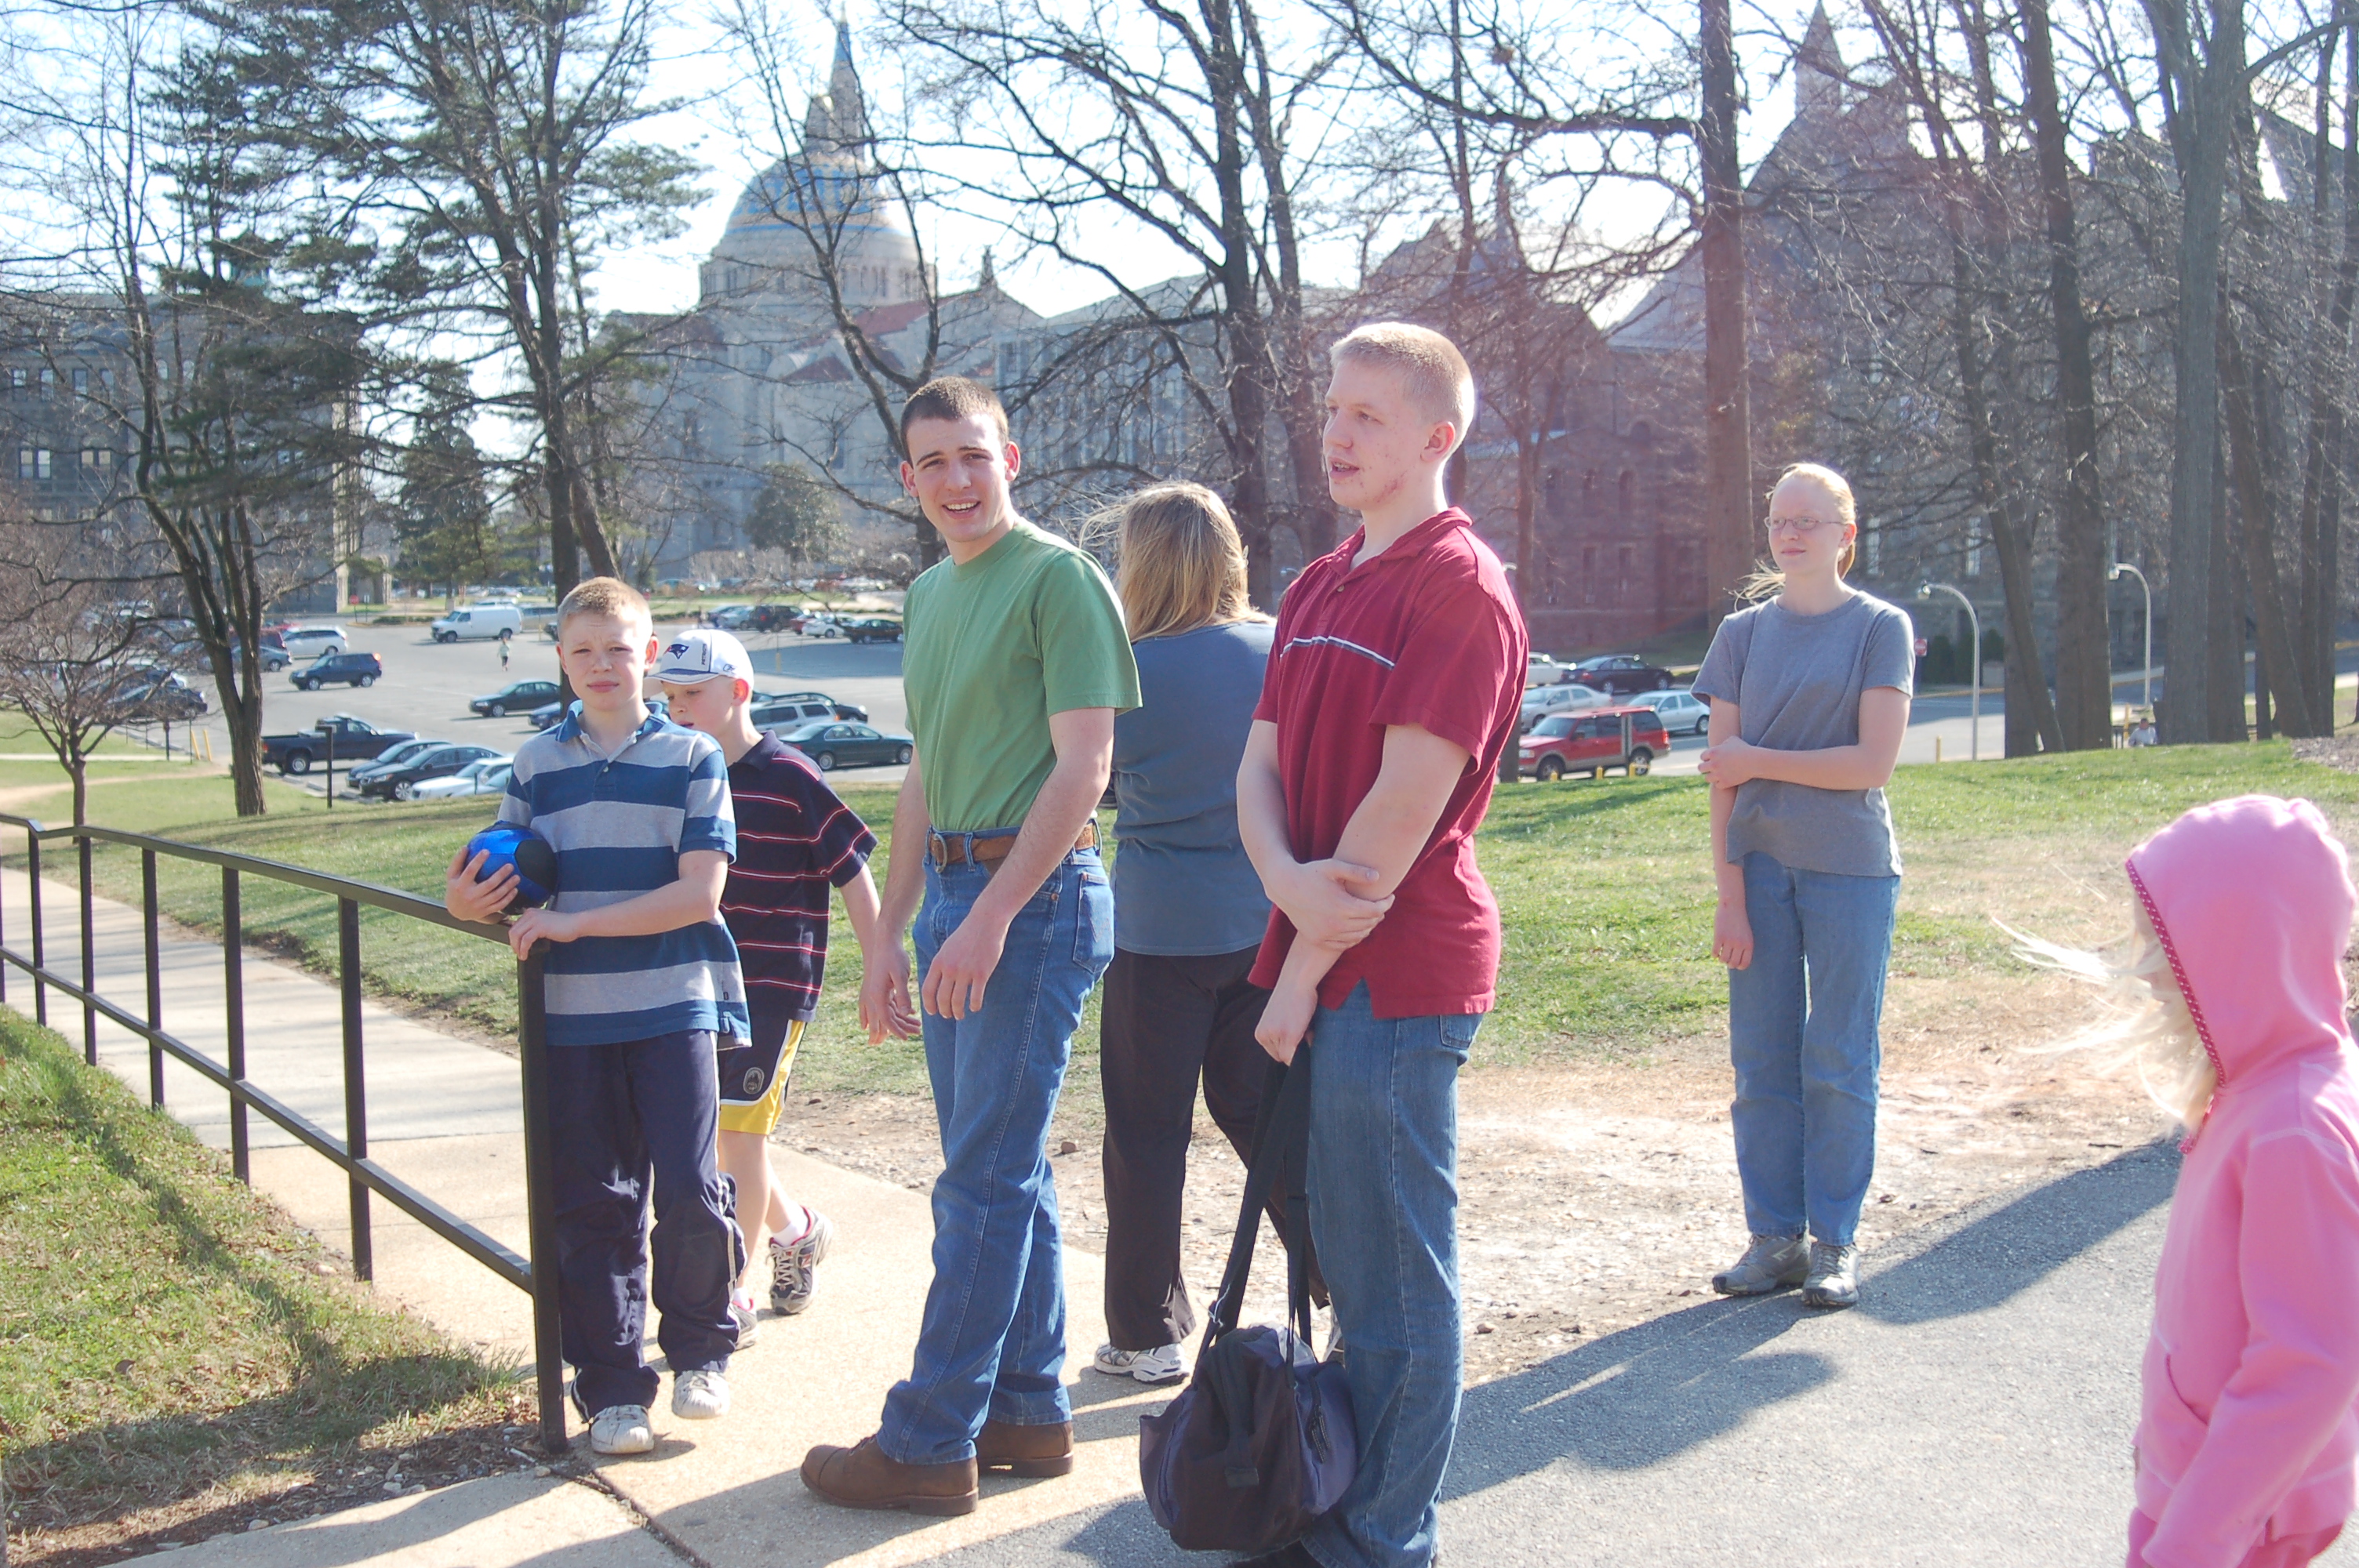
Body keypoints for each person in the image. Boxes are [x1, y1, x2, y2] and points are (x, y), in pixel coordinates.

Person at [798, 376, 1138, 1516]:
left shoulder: (1058, 578)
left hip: (1031, 905)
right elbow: (925, 773)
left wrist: (989, 918)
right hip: (951, 893)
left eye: (974, 455)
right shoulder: (931, 594)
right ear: (909, 478)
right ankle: (1027, 1410)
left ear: (1012, 458)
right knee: (1004, 1172)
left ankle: (929, 1437)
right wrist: (890, 930)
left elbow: (1086, 767)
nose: (956, 479)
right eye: (934, 462)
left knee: (981, 1182)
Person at [1236, 322, 1527, 1568]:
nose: (1337, 434)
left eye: (1368, 416)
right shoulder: (1320, 581)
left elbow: (1398, 820)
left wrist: (1300, 972)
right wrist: (1282, 885)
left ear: (1436, 438)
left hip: (1399, 977)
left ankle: (1386, 1536)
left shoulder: (1459, 588)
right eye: (1332, 410)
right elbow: (1255, 771)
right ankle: (1345, 1509)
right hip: (1321, 949)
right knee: (1353, 1269)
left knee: (1400, 1280)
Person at [2012, 796, 2359, 1568]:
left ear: (2236, 947)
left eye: (2166, 945)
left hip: (2230, 1526)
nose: (2149, 973)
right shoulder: (2260, 1088)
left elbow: (2311, 1363)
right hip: (2212, 1502)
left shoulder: (2293, 1125)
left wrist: (2193, 1542)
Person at [444, 575, 748, 1457]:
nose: (602, 664)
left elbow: (699, 894)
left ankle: (700, 1352)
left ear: (648, 654)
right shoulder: (536, 764)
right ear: (561, 661)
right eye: (582, 650)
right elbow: (495, 876)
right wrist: (465, 901)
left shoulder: (692, 756)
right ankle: (612, 1389)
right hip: (571, 1016)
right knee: (593, 1203)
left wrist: (574, 923)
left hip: (673, 1006)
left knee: (690, 1188)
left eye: (618, 648)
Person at [1092, 481, 1321, 1387]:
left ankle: (1146, 1330)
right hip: (1265, 923)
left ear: (1140, 564)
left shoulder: (1124, 671)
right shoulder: (1282, 651)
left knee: (1145, 1134)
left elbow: (1094, 782)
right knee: (1270, 1120)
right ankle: (1337, 1288)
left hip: (1156, 930)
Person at [1692, 462, 1912, 1311]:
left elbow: (1871, 763)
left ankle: (1834, 1244)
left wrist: (1760, 760)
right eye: (1779, 520)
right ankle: (1773, 1239)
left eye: (1808, 521)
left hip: (1851, 870)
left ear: (1845, 535)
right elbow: (1721, 777)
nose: (1789, 533)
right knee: (1760, 1062)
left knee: (1838, 1057)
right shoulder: (1740, 636)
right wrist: (1729, 893)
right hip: (1758, 873)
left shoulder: (1879, 628)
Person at [654, 628, 908, 1343]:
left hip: (771, 988)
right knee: (718, 1139)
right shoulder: (680, 777)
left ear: (739, 692)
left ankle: (731, 1291)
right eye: (669, 698)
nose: (677, 709)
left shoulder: (791, 775)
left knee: (739, 1136)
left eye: (691, 694)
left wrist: (878, 964)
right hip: (697, 987)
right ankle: (796, 1232)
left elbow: (853, 871)